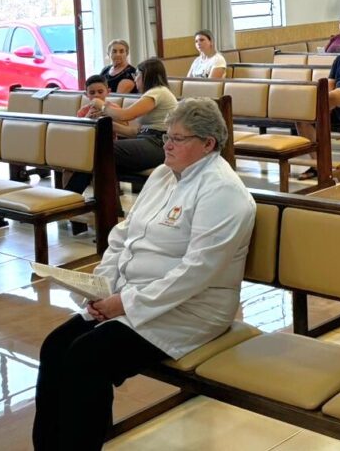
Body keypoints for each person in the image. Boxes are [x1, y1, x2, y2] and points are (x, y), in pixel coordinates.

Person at [33, 98, 256, 451]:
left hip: (191, 310)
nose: (166, 144)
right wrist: (102, 288)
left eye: (178, 139)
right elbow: (125, 235)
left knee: (86, 358)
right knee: (56, 346)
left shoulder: (223, 191)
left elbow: (196, 272)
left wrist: (123, 303)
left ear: (208, 144)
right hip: (133, 296)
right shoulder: (163, 175)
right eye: (167, 135)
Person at [98, 58, 178, 177]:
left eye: (137, 75)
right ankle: (104, 194)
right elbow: (135, 131)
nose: (135, 79)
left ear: (146, 76)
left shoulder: (158, 92)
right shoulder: (153, 93)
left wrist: (102, 106)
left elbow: (125, 115)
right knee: (97, 151)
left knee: (102, 149)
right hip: (149, 140)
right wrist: (104, 123)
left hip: (159, 143)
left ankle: (74, 192)